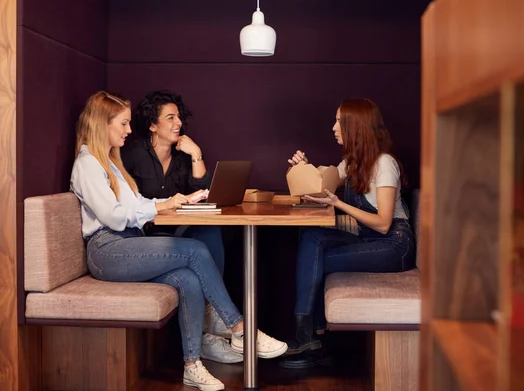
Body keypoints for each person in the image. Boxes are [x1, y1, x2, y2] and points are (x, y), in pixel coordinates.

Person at [71, 91, 288, 390]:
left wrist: (177, 200)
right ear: (101, 124)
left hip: (127, 244)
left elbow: (137, 202)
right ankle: (240, 328)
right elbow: (114, 216)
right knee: (196, 251)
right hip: (107, 250)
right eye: (123, 123)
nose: (128, 130)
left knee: (188, 279)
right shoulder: (87, 164)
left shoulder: (110, 164)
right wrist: (160, 206)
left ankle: (191, 364)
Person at [279, 98, 416, 369]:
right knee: (311, 238)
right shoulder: (352, 161)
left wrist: (339, 203)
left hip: (395, 245)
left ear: (356, 126)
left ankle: (310, 338)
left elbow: (384, 223)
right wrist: (305, 167)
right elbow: (324, 184)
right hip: (370, 238)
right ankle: (310, 337)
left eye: (339, 122)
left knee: (315, 264)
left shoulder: (384, 163)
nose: (333, 128)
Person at [120, 90, 238, 364]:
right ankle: (218, 326)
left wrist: (196, 153)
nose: (178, 124)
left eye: (179, 118)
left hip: (175, 234)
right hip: (143, 237)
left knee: (210, 231)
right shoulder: (132, 153)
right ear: (152, 124)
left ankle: (211, 326)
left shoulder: (183, 157)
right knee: (198, 249)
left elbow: (202, 190)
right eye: (170, 118)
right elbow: (127, 202)